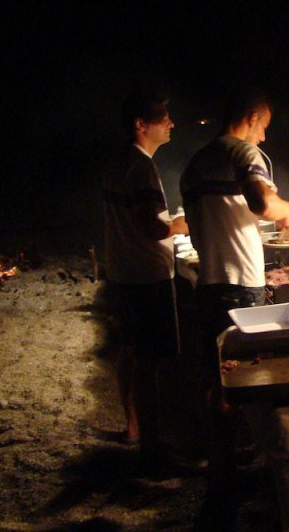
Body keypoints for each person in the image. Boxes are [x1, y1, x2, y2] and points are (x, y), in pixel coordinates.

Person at [180, 89, 289, 470]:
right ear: (251, 117)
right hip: (240, 287)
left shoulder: (194, 165)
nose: (263, 137)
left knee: (217, 377)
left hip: (207, 284)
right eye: (263, 126)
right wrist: (287, 211)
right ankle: (243, 467)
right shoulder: (244, 153)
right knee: (246, 377)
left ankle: (220, 457)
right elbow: (261, 202)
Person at [102, 89, 189, 467]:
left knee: (131, 350)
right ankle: (153, 447)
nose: (171, 123)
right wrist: (184, 223)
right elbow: (153, 227)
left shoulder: (118, 161)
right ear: (141, 124)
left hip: (122, 272)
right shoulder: (140, 167)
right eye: (163, 118)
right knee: (153, 360)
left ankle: (134, 428)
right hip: (146, 276)